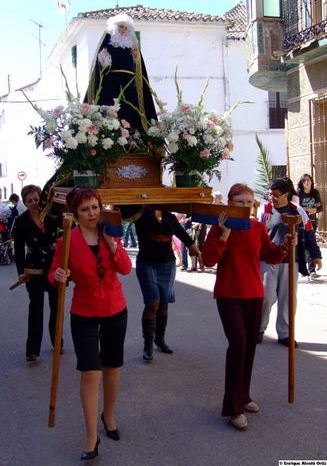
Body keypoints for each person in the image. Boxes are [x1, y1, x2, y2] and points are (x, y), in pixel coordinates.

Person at [201, 183, 297, 430]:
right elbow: (208, 259)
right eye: (239, 201)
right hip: (228, 295)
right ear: (229, 204)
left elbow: (271, 255)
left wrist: (285, 245)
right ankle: (233, 407)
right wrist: (223, 235)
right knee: (238, 345)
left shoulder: (257, 227)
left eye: (248, 202)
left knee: (249, 349)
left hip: (255, 294)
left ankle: (243, 394)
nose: (244, 206)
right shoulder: (219, 227)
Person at [49, 185, 132, 461]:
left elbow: (125, 268)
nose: (91, 213)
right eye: (85, 209)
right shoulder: (66, 241)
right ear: (75, 212)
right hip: (83, 309)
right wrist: (58, 276)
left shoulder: (111, 232)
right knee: (90, 372)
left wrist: (111, 244)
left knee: (111, 367)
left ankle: (108, 416)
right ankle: (91, 436)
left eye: (95, 207)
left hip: (114, 307)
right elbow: (54, 274)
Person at [257, 178, 322, 347]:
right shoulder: (264, 211)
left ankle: (285, 333)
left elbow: (308, 234)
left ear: (286, 195)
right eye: (270, 194)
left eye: (275, 195)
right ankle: (258, 329)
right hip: (267, 260)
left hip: (290, 261)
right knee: (266, 296)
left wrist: (315, 255)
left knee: (288, 298)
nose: (272, 198)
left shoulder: (297, 211)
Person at [134, 208, 203, 361]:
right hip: (147, 264)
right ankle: (148, 345)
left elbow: (183, 235)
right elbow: (123, 213)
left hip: (168, 265)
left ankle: (160, 339)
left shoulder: (170, 217)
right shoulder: (140, 215)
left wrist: (198, 253)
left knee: (164, 304)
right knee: (152, 303)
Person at [14, 185, 63, 362]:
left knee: (56, 307)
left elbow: (67, 224)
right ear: (24, 203)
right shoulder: (21, 221)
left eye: (36, 199)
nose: (34, 203)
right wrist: (21, 272)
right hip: (33, 269)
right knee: (36, 308)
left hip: (53, 267)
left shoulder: (49, 215)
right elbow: (18, 249)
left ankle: (57, 342)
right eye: (29, 201)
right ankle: (32, 350)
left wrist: (54, 215)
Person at [85, 13, 157, 132]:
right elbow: (103, 66)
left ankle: (133, 135)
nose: (123, 30)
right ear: (115, 28)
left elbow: (138, 68)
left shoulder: (132, 47)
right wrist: (105, 57)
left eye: (125, 28)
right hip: (113, 82)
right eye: (121, 27)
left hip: (129, 83)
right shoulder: (110, 45)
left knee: (130, 107)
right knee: (113, 107)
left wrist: (136, 58)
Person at [297, 173, 323, 277]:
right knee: (304, 244)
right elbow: (298, 209)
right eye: (304, 181)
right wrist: (311, 210)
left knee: (311, 243)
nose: (307, 182)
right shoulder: (299, 194)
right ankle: (308, 269)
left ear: (311, 181)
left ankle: (311, 270)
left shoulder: (315, 193)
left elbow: (320, 208)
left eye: (308, 180)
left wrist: (308, 210)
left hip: (312, 221)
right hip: (302, 222)